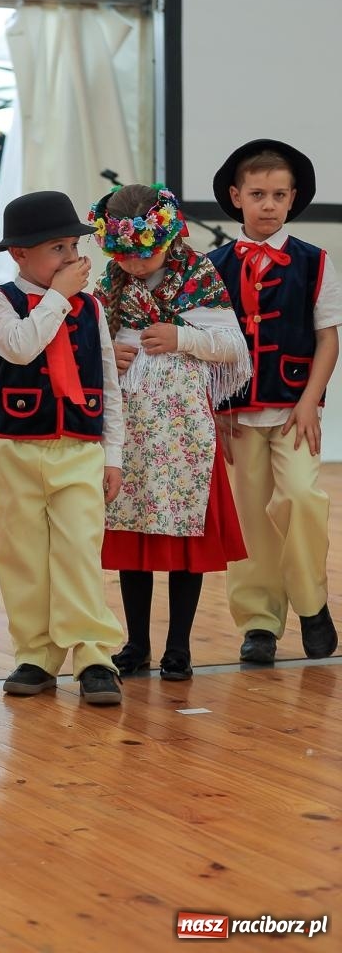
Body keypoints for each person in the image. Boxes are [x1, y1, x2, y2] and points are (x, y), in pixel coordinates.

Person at [90, 184, 251, 681]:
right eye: (124, 256)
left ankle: (178, 646)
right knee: (133, 536)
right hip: (130, 428)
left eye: (145, 255)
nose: (135, 265)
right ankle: (136, 642)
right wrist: (107, 357)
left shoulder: (199, 275)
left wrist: (182, 336)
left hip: (183, 430)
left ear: (169, 238)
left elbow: (233, 346)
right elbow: (86, 341)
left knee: (184, 540)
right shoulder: (112, 284)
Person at [0, 191, 125, 706]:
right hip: (15, 449)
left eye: (72, 247)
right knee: (22, 552)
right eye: (56, 249)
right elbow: (19, 346)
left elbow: (108, 382)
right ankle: (37, 653)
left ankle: (93, 655)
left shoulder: (91, 308)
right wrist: (58, 298)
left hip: (80, 449)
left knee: (79, 550)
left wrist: (114, 456)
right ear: (19, 255)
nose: (70, 259)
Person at [208, 139, 341, 664]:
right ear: (237, 197)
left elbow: (328, 337)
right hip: (239, 413)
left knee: (302, 499)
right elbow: (209, 345)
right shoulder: (213, 265)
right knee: (250, 519)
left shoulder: (314, 262)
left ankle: (312, 604)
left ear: (292, 200)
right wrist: (217, 412)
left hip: (292, 411)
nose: (268, 204)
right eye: (258, 193)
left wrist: (310, 402)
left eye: (279, 195)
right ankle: (259, 621)